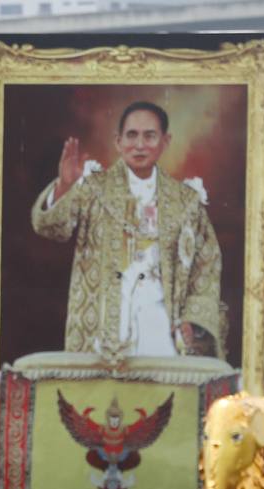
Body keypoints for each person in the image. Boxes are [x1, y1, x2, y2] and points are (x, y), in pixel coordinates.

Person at [31, 100, 224, 359]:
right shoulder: (93, 187)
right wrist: (65, 187)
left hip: (161, 323)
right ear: (118, 141)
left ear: (165, 141)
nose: (140, 144)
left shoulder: (186, 201)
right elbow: (52, 229)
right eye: (132, 135)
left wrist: (193, 320)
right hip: (100, 325)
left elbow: (206, 267)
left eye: (150, 136)